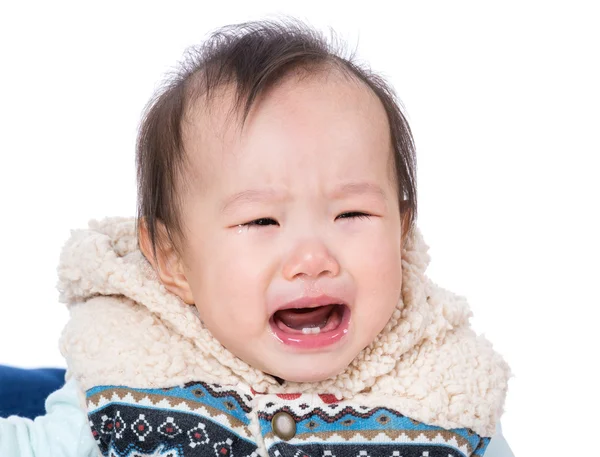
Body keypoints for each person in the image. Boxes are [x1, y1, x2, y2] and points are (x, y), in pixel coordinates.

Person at [0, 18, 514, 456]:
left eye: (352, 213)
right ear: (174, 261)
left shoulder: (445, 390)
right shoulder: (127, 374)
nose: (313, 258)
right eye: (262, 222)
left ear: (402, 233)